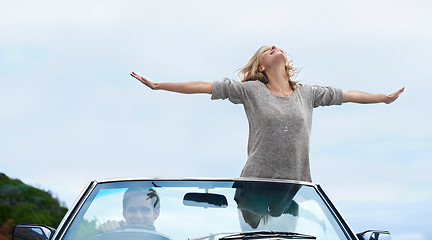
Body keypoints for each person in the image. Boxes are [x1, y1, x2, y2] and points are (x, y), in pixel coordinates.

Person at [130, 45, 404, 182]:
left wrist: (384, 99)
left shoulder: (308, 93)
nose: (273, 45)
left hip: (296, 184)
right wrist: (158, 85)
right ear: (260, 67)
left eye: (274, 45)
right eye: (265, 50)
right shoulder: (250, 91)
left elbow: (349, 95)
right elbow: (204, 86)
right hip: (255, 184)